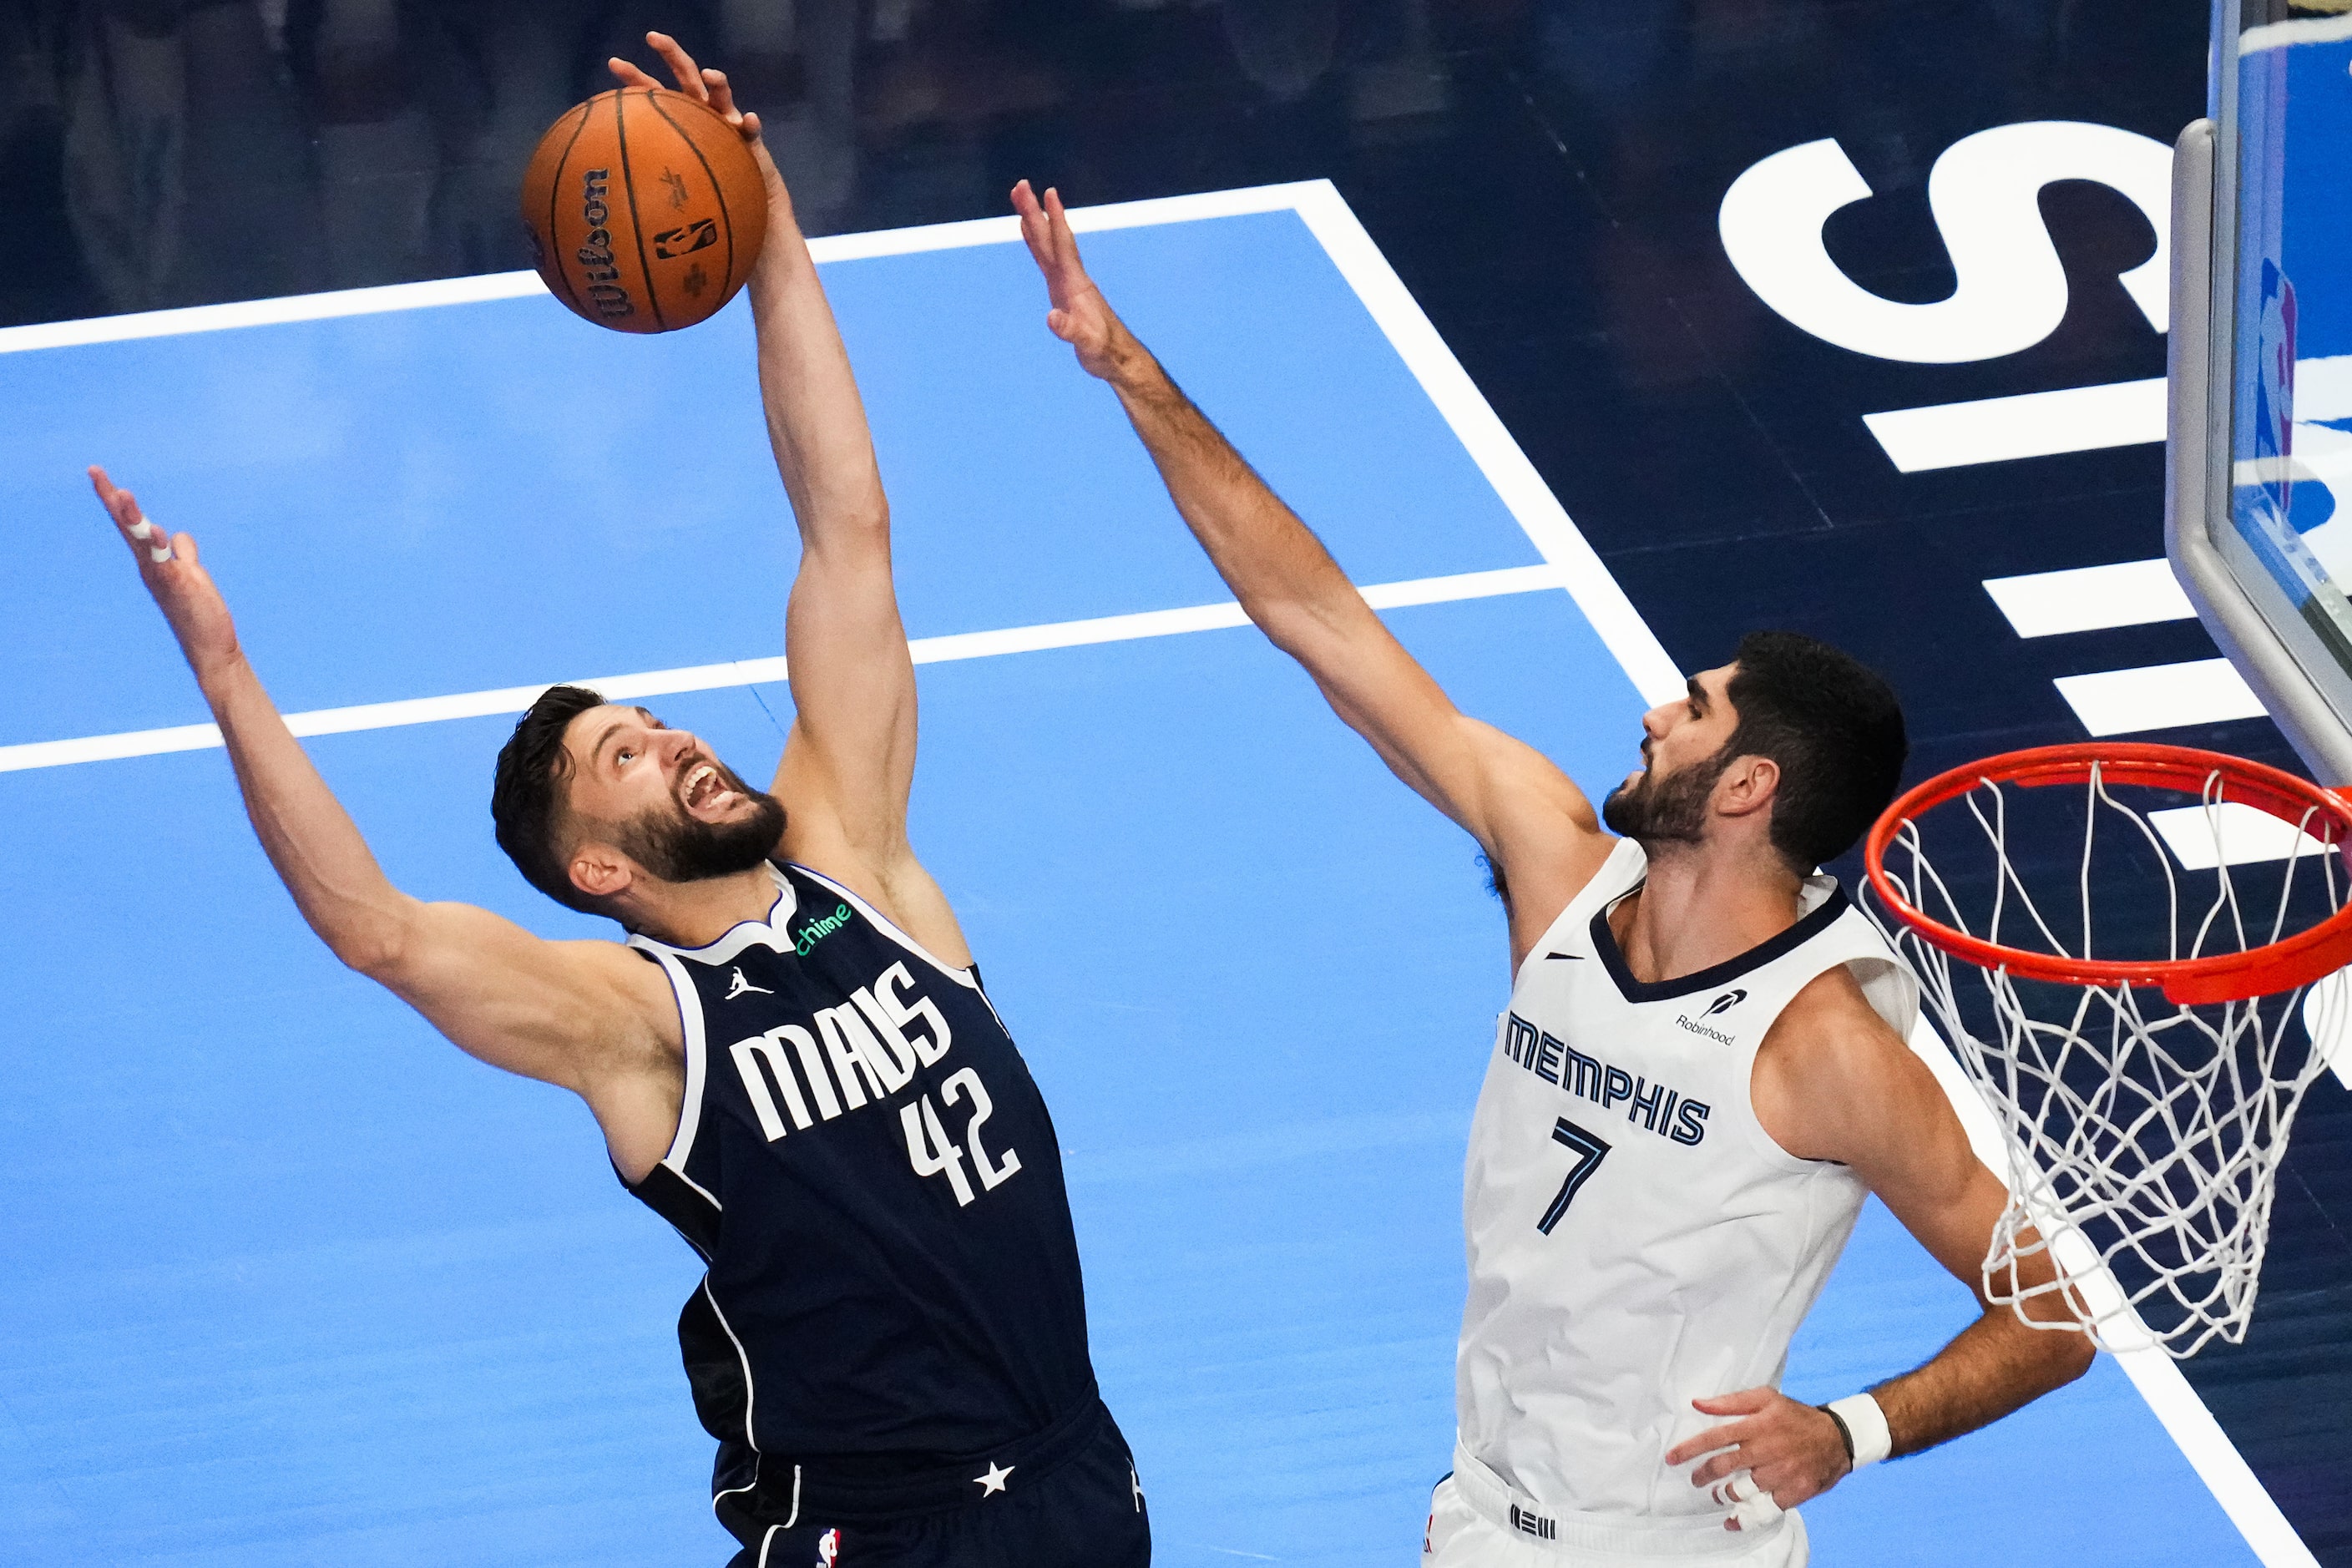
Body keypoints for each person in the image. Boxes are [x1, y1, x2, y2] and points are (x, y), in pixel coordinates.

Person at [83, 35, 1151, 1568]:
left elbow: (844, 525)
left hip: (1075, 1482)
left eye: (653, 720)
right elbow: (376, 929)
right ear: (596, 867)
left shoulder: (856, 860)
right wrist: (227, 668)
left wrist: (765, 207)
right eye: (626, 755)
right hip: (878, 1536)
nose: (674, 740)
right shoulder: (638, 1027)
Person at [1009, 178, 2092, 1565]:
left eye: (1693, 709)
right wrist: (1129, 371)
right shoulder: (1557, 868)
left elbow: (2050, 1313)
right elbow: (1317, 620)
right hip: (1482, 1512)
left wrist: (1850, 1428)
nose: (1655, 711)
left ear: (1749, 788)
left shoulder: (1824, 1043)